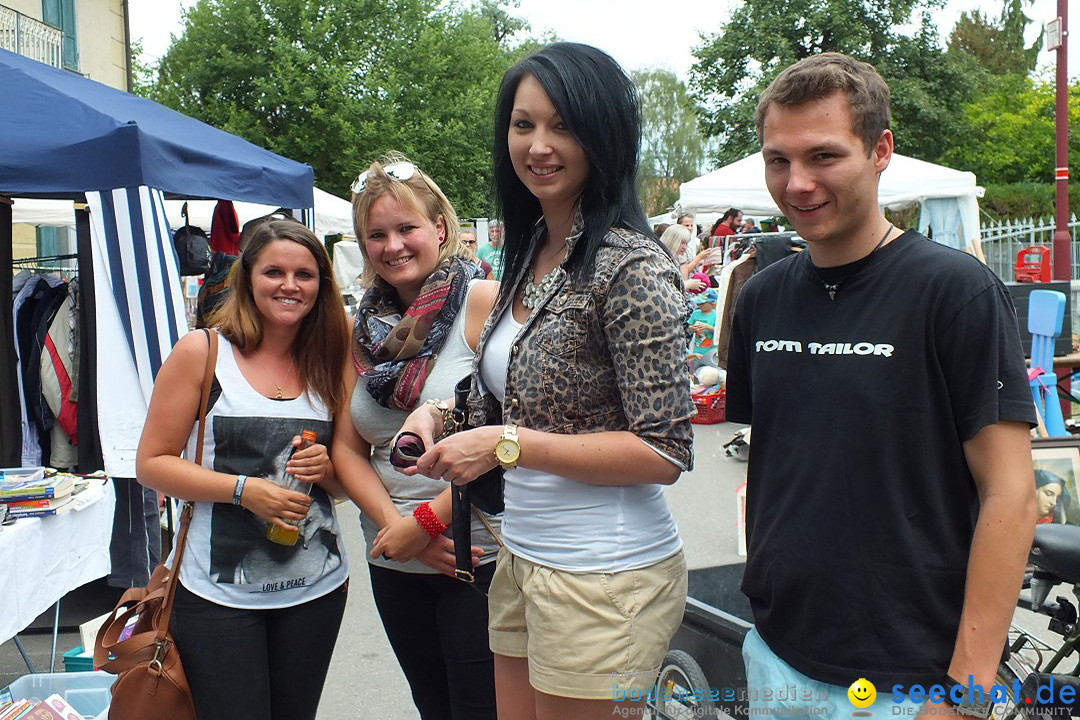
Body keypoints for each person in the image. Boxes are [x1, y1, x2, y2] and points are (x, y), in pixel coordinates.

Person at [725, 52, 1036, 717]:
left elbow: (1011, 492)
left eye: (823, 157)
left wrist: (967, 692)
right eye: (778, 160)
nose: (797, 182)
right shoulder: (763, 297)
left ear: (880, 150)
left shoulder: (954, 292)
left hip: (906, 684)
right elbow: (778, 464)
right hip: (776, 655)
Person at [398, 42, 693, 720]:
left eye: (562, 125)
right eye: (523, 124)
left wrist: (504, 445)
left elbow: (664, 451)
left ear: (603, 134)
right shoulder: (532, 248)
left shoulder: (632, 268)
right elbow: (508, 388)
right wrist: (439, 417)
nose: (538, 144)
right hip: (523, 559)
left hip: (604, 576)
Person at [136, 220, 351, 720]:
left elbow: (345, 480)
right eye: (274, 271)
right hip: (216, 596)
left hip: (315, 591)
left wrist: (325, 468)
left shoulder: (331, 360)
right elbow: (152, 463)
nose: (290, 286)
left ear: (322, 284)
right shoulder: (203, 353)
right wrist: (242, 490)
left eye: (305, 274)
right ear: (247, 276)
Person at [331, 156, 501, 720]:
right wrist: (397, 529)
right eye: (376, 234)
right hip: (394, 556)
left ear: (441, 230)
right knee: (431, 705)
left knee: (480, 709)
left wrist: (427, 524)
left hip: (475, 552)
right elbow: (349, 448)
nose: (393, 245)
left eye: (407, 228)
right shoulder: (360, 333)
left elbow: (513, 434)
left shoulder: (483, 303)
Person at [660, 224, 721, 293]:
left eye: (686, 243)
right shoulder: (661, 260)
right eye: (682, 243)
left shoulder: (680, 256)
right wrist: (687, 285)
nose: (685, 247)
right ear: (673, 241)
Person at [687, 288, 718, 368]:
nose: (699, 305)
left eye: (702, 303)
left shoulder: (716, 315)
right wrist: (693, 328)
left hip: (711, 350)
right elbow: (689, 327)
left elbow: (718, 331)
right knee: (696, 369)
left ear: (712, 304)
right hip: (697, 349)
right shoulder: (696, 313)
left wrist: (708, 327)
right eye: (698, 303)